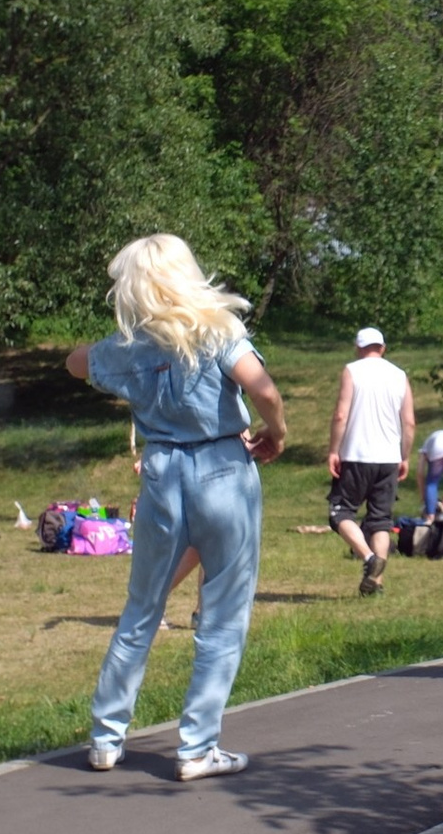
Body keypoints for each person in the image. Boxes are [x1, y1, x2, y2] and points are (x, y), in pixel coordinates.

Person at [67, 234, 287, 779]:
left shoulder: (130, 346)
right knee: (223, 613)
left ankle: (105, 738)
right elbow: (264, 390)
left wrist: (115, 359)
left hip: (162, 471)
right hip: (222, 469)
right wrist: (276, 432)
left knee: (141, 606)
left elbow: (75, 362)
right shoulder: (216, 327)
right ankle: (196, 747)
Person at [325, 326, 415, 597]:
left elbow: (341, 414)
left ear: (358, 347)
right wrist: (405, 455)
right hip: (388, 457)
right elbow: (409, 422)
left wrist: (333, 450)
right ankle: (376, 584)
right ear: (383, 348)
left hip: (356, 454)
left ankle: (367, 558)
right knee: (380, 521)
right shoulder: (399, 375)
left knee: (340, 512)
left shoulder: (352, 371)